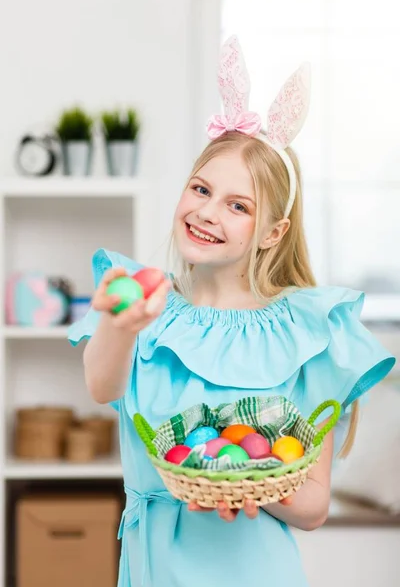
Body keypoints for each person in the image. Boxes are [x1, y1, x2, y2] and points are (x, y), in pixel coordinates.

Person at [68, 36, 395, 587]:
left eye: (237, 205)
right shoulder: (147, 302)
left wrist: (252, 485)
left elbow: (313, 507)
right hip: (153, 567)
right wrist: (122, 324)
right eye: (200, 189)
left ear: (273, 232)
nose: (207, 212)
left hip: (254, 568)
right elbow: (102, 388)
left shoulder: (305, 331)